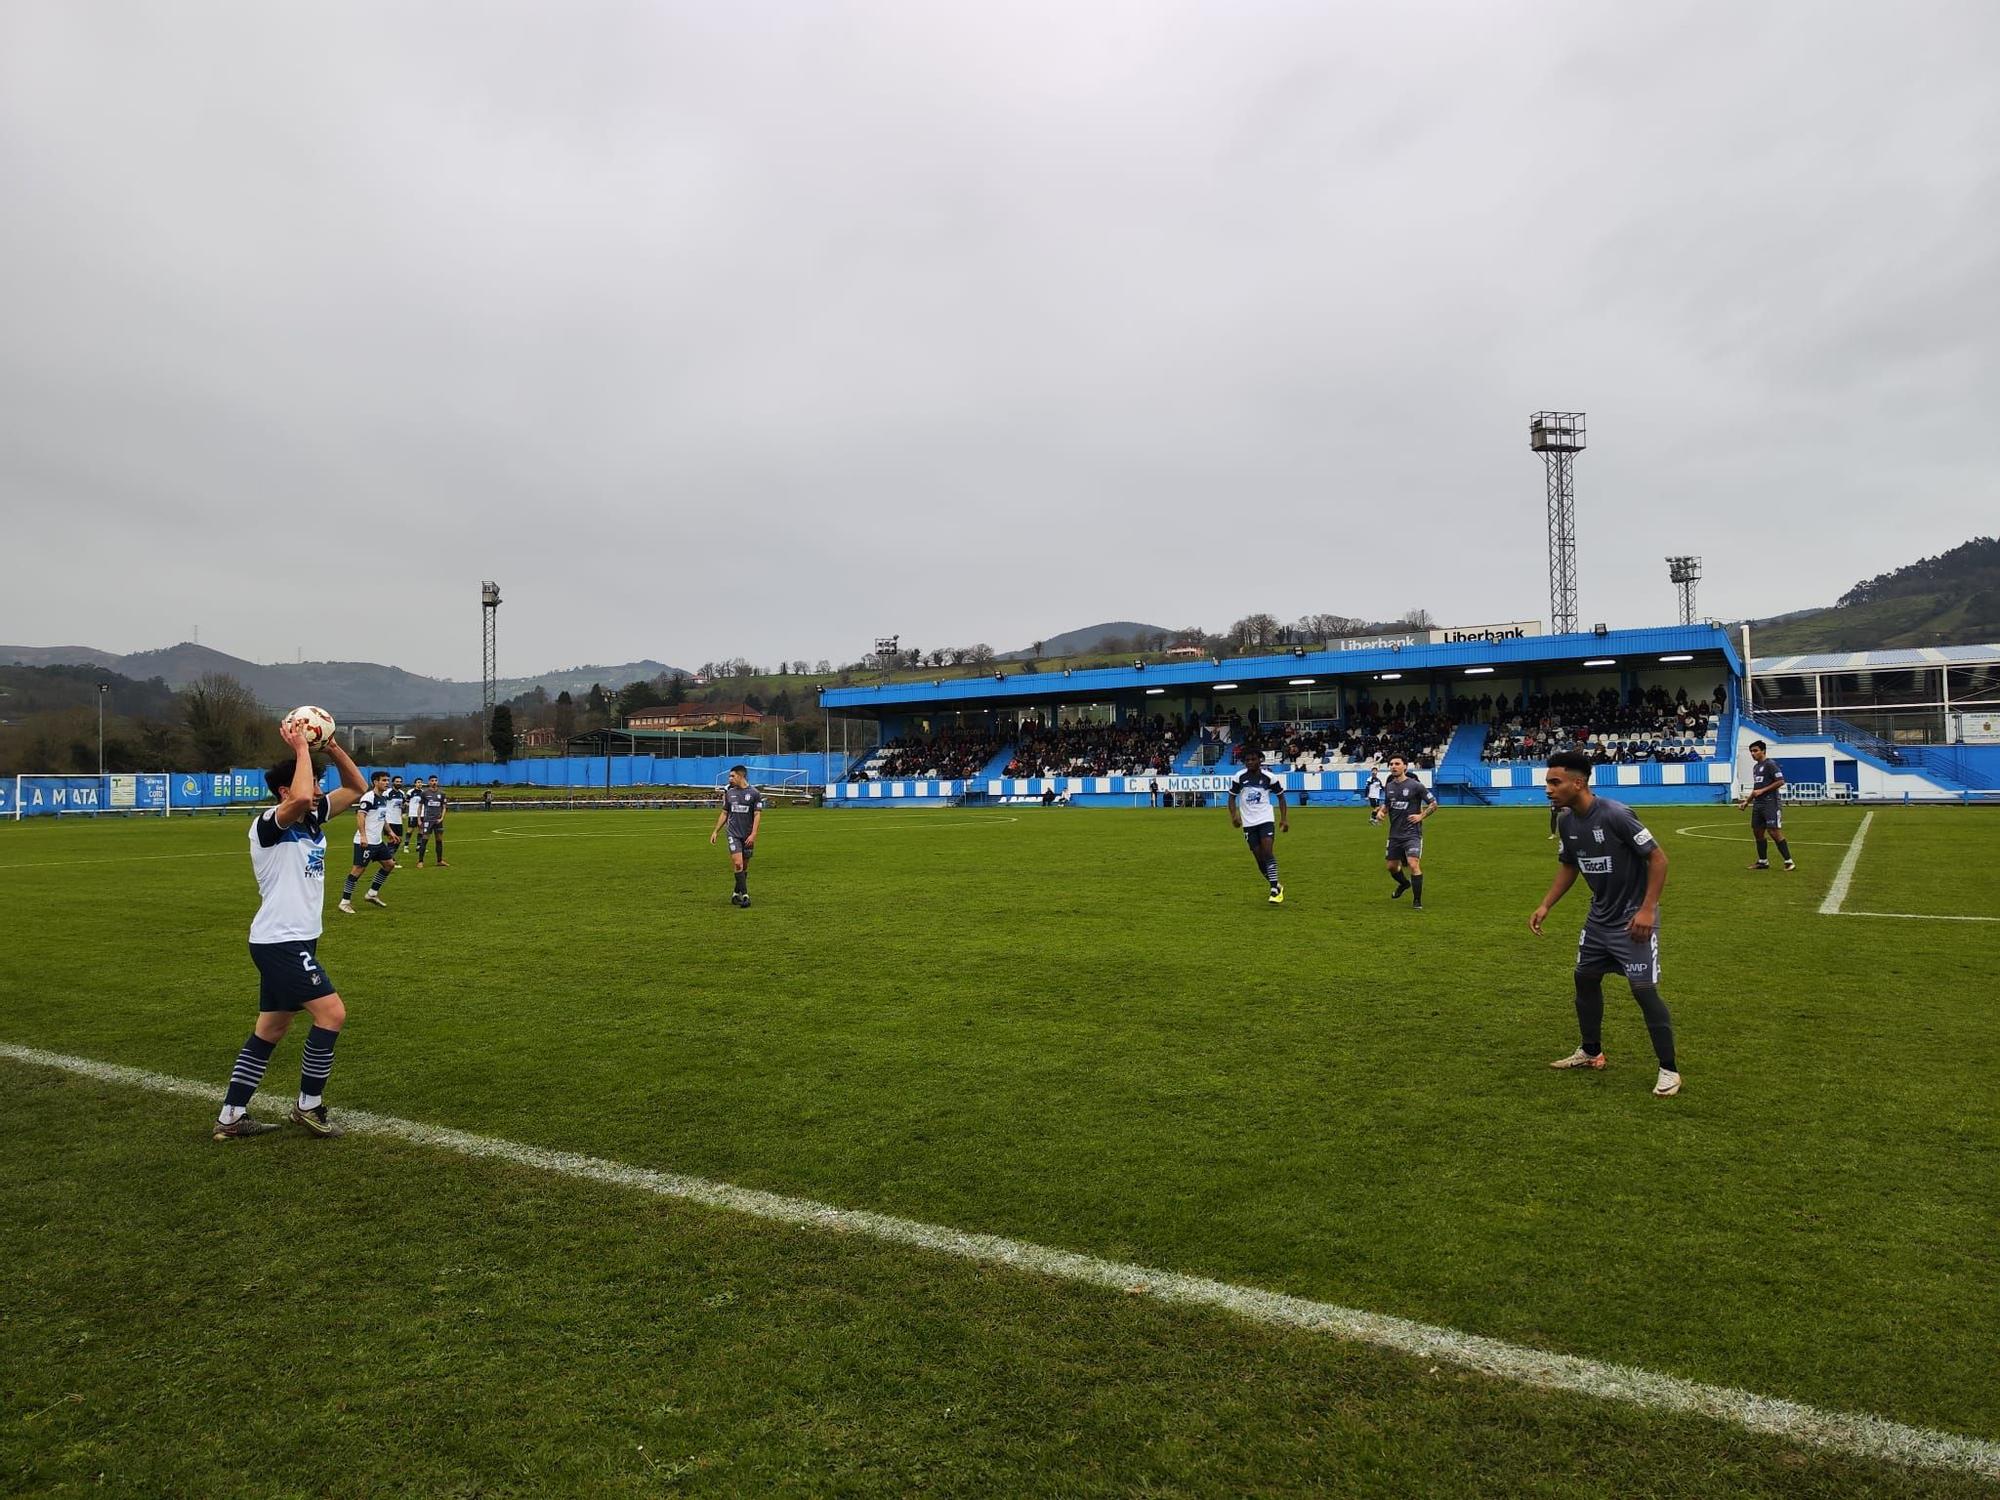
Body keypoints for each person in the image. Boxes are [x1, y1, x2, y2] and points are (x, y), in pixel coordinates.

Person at [212, 720, 368, 1139]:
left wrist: (331, 746)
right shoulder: (269, 824)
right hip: (279, 941)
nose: (317, 790)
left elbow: (356, 788)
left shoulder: (312, 819)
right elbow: (301, 794)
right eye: (314, 782)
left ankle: (231, 1117)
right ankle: (309, 1106)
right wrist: (302, 748)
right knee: (333, 1013)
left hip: (296, 939)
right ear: (284, 792)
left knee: (271, 1029)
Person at [1532, 748, 1681, 1098]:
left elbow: (1658, 859)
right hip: (1599, 919)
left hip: (1633, 920)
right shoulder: (1567, 820)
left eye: (1555, 782)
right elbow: (1570, 865)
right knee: (1584, 979)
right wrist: (1546, 904)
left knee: (1643, 991)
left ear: (1578, 783)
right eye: (1547, 782)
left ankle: (1669, 1070)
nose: (1548, 789)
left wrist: (1647, 910)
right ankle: (1590, 1050)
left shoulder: (1616, 814)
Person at [1372, 754, 1436, 910]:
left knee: (1413, 864)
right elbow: (1387, 805)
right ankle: (1404, 884)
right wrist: (1381, 812)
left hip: (1412, 834)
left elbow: (1433, 804)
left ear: (1405, 766)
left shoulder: (1416, 786)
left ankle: (1417, 901)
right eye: (1391, 764)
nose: (1393, 766)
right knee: (1391, 867)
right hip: (1394, 835)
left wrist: (1421, 815)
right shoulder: (1389, 787)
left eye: (1397, 763)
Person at [1227, 747, 1287, 904]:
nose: (1250, 762)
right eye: (1247, 760)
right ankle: (1276, 885)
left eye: (1253, 759)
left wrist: (1283, 819)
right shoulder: (1239, 777)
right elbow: (1231, 798)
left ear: (1260, 760)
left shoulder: (1269, 777)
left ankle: (1274, 889)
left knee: (1268, 852)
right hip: (1248, 824)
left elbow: (1281, 797)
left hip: (1266, 820)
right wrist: (1234, 816)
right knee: (1260, 860)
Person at [338, 771, 399, 913]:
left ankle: (372, 893)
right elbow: (360, 816)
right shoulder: (368, 797)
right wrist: (363, 836)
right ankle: (344, 902)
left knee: (389, 864)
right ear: (375, 782)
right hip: (365, 841)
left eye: (387, 780)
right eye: (383, 780)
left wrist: (390, 832)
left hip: (377, 842)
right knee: (358, 870)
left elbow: (382, 818)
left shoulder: (383, 798)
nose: (387, 782)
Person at [710, 764, 764, 907]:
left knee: (744, 866)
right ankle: (745, 896)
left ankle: (735, 894)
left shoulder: (754, 794)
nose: (730, 778)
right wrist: (716, 831)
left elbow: (757, 815)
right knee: (738, 863)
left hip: (747, 835)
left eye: (732, 776)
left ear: (741, 776)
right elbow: (725, 813)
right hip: (733, 834)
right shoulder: (729, 793)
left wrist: (753, 834)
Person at [1741, 740, 1794, 871]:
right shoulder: (1756, 767)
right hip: (1758, 804)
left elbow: (1780, 781)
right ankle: (1763, 861)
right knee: (1757, 832)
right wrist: (1747, 801)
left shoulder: (1770, 764)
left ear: (1763, 751)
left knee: (1773, 831)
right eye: (1751, 751)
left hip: (1771, 803)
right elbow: (1756, 788)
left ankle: (1789, 861)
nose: (1753, 754)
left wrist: (1763, 791)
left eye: (1755, 751)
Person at [413, 774, 450, 867]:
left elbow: (444, 807)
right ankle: (420, 861)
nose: (434, 782)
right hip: (428, 820)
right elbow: (420, 806)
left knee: (439, 840)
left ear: (437, 782)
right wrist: (419, 819)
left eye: (435, 780)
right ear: (429, 782)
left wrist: (441, 818)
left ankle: (439, 861)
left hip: (438, 821)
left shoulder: (442, 793)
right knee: (424, 840)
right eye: (432, 781)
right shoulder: (425, 793)